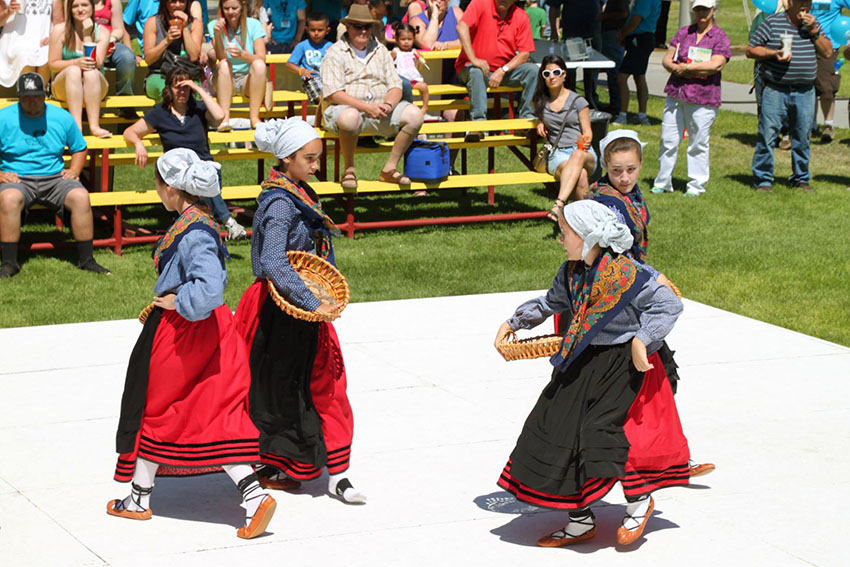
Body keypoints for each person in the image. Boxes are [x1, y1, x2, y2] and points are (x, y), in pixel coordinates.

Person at [494, 199, 690, 547]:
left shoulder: (630, 274)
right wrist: (514, 322)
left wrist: (642, 339)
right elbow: (550, 302)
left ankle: (639, 503)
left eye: (565, 233)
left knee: (599, 430)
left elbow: (668, 304)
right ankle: (580, 520)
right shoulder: (570, 273)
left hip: (621, 365)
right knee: (552, 424)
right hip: (583, 358)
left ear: (589, 236)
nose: (561, 239)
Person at [107, 148, 275, 540]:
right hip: (208, 333)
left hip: (187, 333)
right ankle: (252, 498)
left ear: (170, 188)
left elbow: (209, 288)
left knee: (155, 407)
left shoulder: (194, 231)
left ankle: (138, 499)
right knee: (209, 414)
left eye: (158, 184)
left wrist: (178, 302)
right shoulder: (198, 221)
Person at [234, 118, 366, 505]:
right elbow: (273, 261)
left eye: (317, 159)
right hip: (281, 310)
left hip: (297, 304)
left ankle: (307, 463)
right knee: (284, 385)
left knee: (313, 384)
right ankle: (282, 462)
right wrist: (313, 302)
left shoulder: (297, 192)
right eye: (308, 159)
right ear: (286, 158)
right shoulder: (279, 203)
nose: (315, 166)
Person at [588, 130, 716, 479]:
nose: (624, 177)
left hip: (635, 297)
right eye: (616, 171)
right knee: (639, 386)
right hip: (614, 308)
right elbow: (615, 257)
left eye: (630, 169)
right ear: (605, 167)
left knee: (657, 383)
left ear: (641, 165)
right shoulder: (604, 202)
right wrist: (653, 278)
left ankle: (665, 458)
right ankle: (634, 462)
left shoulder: (630, 196)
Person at [0, 73, 110, 278]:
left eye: (36, 96)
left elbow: (79, 147)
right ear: (18, 97)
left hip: (55, 178)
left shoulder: (61, 116)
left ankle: (87, 259)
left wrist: (75, 170)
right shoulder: (3, 118)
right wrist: (1, 175)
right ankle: (9, 263)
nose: (31, 101)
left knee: (80, 196)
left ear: (44, 96)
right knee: (8, 198)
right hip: (18, 179)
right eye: (25, 97)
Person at [123, 68, 248, 240]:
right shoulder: (160, 112)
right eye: (177, 87)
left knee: (203, 177)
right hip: (178, 172)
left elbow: (219, 116)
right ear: (169, 89)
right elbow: (130, 132)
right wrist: (138, 144)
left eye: (186, 88)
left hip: (204, 167)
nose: (182, 92)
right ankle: (228, 222)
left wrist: (198, 89)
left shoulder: (198, 109)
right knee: (198, 181)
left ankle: (214, 226)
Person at [320, 4, 424, 189]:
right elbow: (334, 94)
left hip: (379, 108)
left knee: (415, 115)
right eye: (358, 26)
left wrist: (388, 105)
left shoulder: (381, 50)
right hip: (343, 112)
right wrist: (367, 107)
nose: (363, 30)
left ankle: (389, 169)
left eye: (367, 26)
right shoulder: (334, 52)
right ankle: (349, 170)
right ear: (348, 27)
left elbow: (395, 85)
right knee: (350, 117)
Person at [747, 0, 832, 193]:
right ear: (790, 3)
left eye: (808, 2)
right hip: (775, 89)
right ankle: (763, 180)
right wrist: (772, 53)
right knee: (767, 135)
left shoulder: (813, 25)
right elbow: (751, 50)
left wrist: (814, 32)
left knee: (802, 136)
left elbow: (827, 52)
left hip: (805, 91)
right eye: (800, 1)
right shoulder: (772, 23)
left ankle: (801, 178)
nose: (805, 6)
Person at [651, 0, 730, 197]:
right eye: (698, 9)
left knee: (698, 142)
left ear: (714, 10)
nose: (701, 13)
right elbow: (667, 57)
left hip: (703, 97)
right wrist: (674, 67)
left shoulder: (720, 37)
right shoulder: (684, 32)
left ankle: (696, 185)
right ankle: (662, 182)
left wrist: (686, 68)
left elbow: (716, 64)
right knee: (668, 140)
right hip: (677, 93)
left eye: (705, 9)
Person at [456, 0, 537, 142]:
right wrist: (474, 59)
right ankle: (478, 125)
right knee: (476, 71)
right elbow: (461, 27)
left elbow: (525, 54)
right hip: (471, 68)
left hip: (502, 71)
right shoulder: (479, 4)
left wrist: (503, 70)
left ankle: (526, 122)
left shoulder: (521, 16)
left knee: (533, 71)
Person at [532, 55, 596, 221]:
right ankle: (584, 222)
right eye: (547, 74)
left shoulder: (578, 101)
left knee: (578, 156)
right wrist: (539, 121)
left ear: (564, 74)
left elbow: (587, 131)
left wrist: (586, 139)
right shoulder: (540, 101)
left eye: (556, 72)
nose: (552, 77)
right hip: (558, 154)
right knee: (580, 175)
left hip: (582, 151)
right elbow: (530, 113)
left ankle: (559, 205)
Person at [48, 0, 112, 138]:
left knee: (91, 72)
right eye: (75, 6)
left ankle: (94, 126)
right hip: (65, 86)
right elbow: (53, 64)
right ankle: (76, 128)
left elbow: (96, 63)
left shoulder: (102, 33)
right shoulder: (60, 30)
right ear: (70, 9)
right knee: (73, 70)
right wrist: (74, 62)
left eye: (84, 5)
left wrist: (87, 34)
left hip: (94, 85)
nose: (80, 9)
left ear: (92, 7)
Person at [210, 0, 269, 129]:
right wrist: (217, 35)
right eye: (226, 8)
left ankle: (254, 118)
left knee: (259, 65)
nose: (230, 12)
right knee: (225, 64)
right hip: (224, 77)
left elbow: (261, 57)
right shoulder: (214, 25)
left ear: (242, 6)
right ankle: (225, 119)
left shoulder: (253, 24)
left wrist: (242, 55)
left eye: (234, 8)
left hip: (247, 79)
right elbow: (221, 57)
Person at [142, 0, 203, 101]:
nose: (178, 5)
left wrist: (185, 28)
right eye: (173, 1)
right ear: (165, 3)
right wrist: (167, 41)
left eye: (182, 1)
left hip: (187, 73)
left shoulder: (195, 24)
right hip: (159, 74)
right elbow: (149, 59)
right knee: (168, 92)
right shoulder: (152, 22)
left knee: (193, 93)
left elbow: (193, 56)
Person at [613, 0, 661, 125]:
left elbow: (635, 20)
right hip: (640, 39)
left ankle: (623, 114)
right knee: (639, 76)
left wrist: (623, 33)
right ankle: (642, 115)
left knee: (622, 76)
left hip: (640, 39)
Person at [0, 0, 63, 87]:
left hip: (43, 43)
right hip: (15, 42)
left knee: (47, 53)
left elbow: (59, 24)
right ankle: (27, 94)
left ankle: (40, 93)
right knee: (25, 55)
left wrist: (52, 37)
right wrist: (8, 11)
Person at [810, 0, 843, 143]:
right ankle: (810, 125)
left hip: (829, 46)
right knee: (807, 87)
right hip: (805, 43)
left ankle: (828, 125)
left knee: (826, 87)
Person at [285, 11, 333, 104]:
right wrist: (301, 71)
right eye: (312, 30)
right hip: (311, 79)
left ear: (327, 30)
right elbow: (289, 64)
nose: (316, 33)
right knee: (322, 99)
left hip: (328, 79)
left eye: (320, 30)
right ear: (306, 30)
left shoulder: (330, 46)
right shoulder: (302, 46)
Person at [596, 0, 628, 114]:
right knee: (612, 70)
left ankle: (616, 106)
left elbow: (623, 13)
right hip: (611, 32)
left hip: (613, 32)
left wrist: (603, 16)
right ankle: (615, 105)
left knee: (614, 70)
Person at [392, 23, 429, 115]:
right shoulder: (396, 51)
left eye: (409, 39)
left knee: (424, 86)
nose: (406, 42)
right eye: (403, 39)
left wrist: (420, 62)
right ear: (397, 39)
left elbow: (418, 68)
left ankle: (425, 106)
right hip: (402, 81)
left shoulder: (414, 52)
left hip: (413, 79)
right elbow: (389, 65)